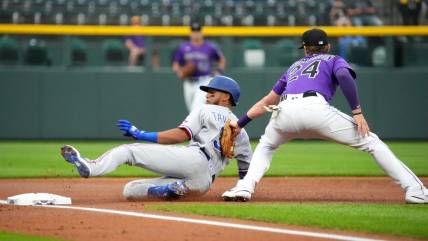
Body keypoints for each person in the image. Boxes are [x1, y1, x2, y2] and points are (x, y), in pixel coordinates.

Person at [221, 28, 428, 204]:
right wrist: (357, 112)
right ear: (327, 46)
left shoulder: (294, 66)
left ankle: (244, 187)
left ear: (305, 48)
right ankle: (416, 191)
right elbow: (345, 75)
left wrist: (240, 124)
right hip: (315, 109)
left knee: (266, 145)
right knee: (372, 142)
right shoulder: (333, 59)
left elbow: (268, 102)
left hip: (284, 111)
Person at [60, 76, 252, 200]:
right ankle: (171, 189)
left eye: (212, 92)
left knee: (129, 151)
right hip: (203, 183)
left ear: (226, 97)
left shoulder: (205, 109)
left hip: (193, 160)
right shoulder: (241, 131)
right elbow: (246, 172)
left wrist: (140, 134)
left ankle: (91, 167)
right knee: (131, 191)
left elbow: (181, 135)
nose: (207, 95)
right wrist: (242, 190)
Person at [172, 22, 226, 112]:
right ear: (190, 33)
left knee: (195, 110)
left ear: (201, 33)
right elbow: (176, 64)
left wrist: (219, 71)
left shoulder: (210, 47)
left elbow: (222, 59)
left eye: (198, 31)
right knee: (193, 112)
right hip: (188, 82)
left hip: (204, 82)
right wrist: (179, 72)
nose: (196, 34)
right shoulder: (184, 47)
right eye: (194, 31)